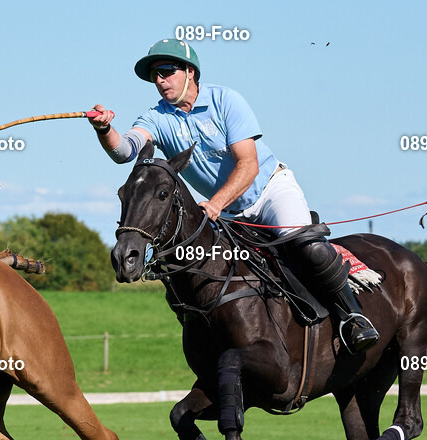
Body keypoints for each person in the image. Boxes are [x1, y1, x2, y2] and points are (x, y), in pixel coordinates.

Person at [90, 39, 378, 353]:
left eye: (166, 71)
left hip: (269, 191)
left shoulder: (226, 100)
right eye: (155, 75)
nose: (159, 80)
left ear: (190, 72)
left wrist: (215, 204)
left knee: (306, 246)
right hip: (228, 212)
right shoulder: (157, 118)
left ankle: (352, 315)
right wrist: (105, 129)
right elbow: (125, 150)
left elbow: (249, 165)